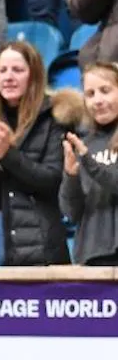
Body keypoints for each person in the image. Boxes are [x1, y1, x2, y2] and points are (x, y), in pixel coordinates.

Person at [0, 41, 77, 266]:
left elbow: (53, 180)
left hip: (39, 235)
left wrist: (8, 155)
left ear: (34, 76)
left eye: (17, 70)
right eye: (2, 70)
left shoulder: (55, 118)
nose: (8, 77)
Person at [61, 62, 118, 266]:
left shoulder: (85, 153)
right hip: (91, 255)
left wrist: (88, 162)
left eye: (105, 91)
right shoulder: (85, 144)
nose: (98, 100)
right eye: (90, 94)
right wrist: (71, 176)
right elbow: (71, 212)